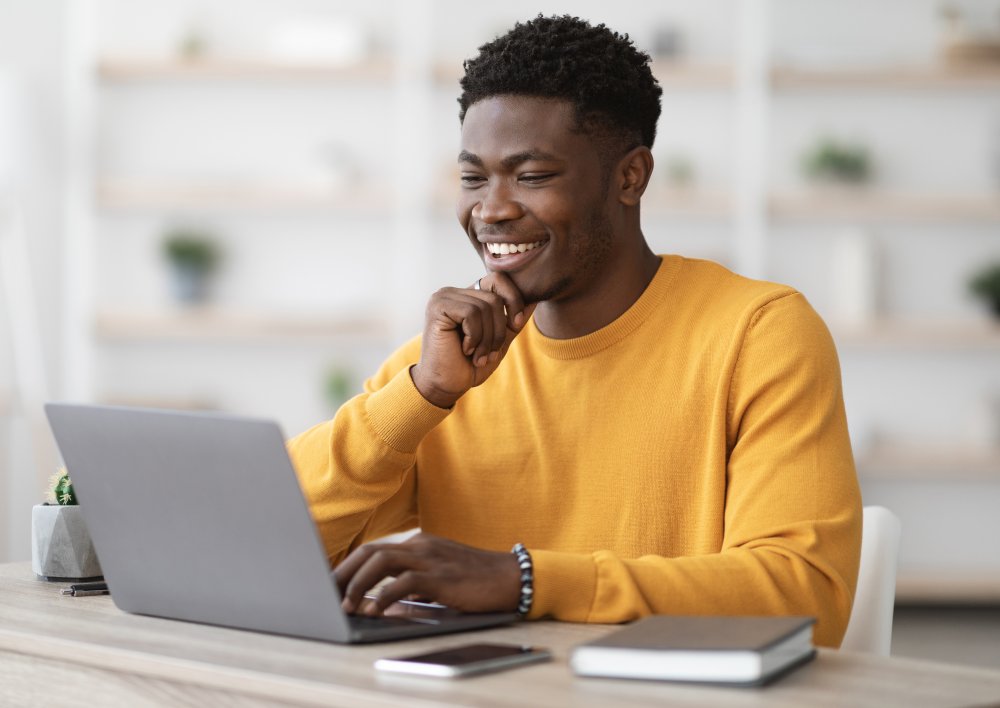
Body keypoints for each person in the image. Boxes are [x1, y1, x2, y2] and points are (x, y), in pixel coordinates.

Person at [288, 14, 862, 648]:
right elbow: (269, 541)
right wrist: (420, 395)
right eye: (473, 177)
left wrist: (524, 581)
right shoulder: (443, 368)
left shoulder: (759, 334)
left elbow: (804, 594)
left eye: (531, 176)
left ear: (630, 177)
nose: (491, 209)